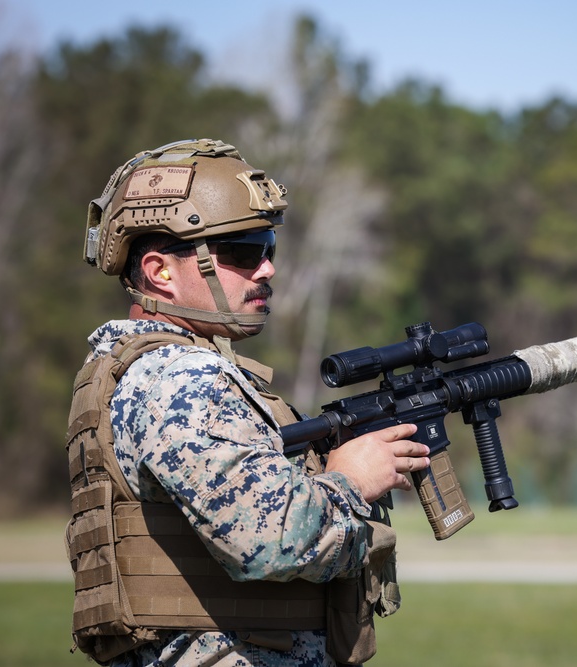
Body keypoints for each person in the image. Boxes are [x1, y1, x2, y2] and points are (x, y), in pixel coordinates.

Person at [65, 139, 431, 666]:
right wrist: (352, 479)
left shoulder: (136, 370)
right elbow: (271, 538)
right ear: (159, 272)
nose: (266, 271)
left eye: (268, 249)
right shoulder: (182, 378)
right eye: (241, 252)